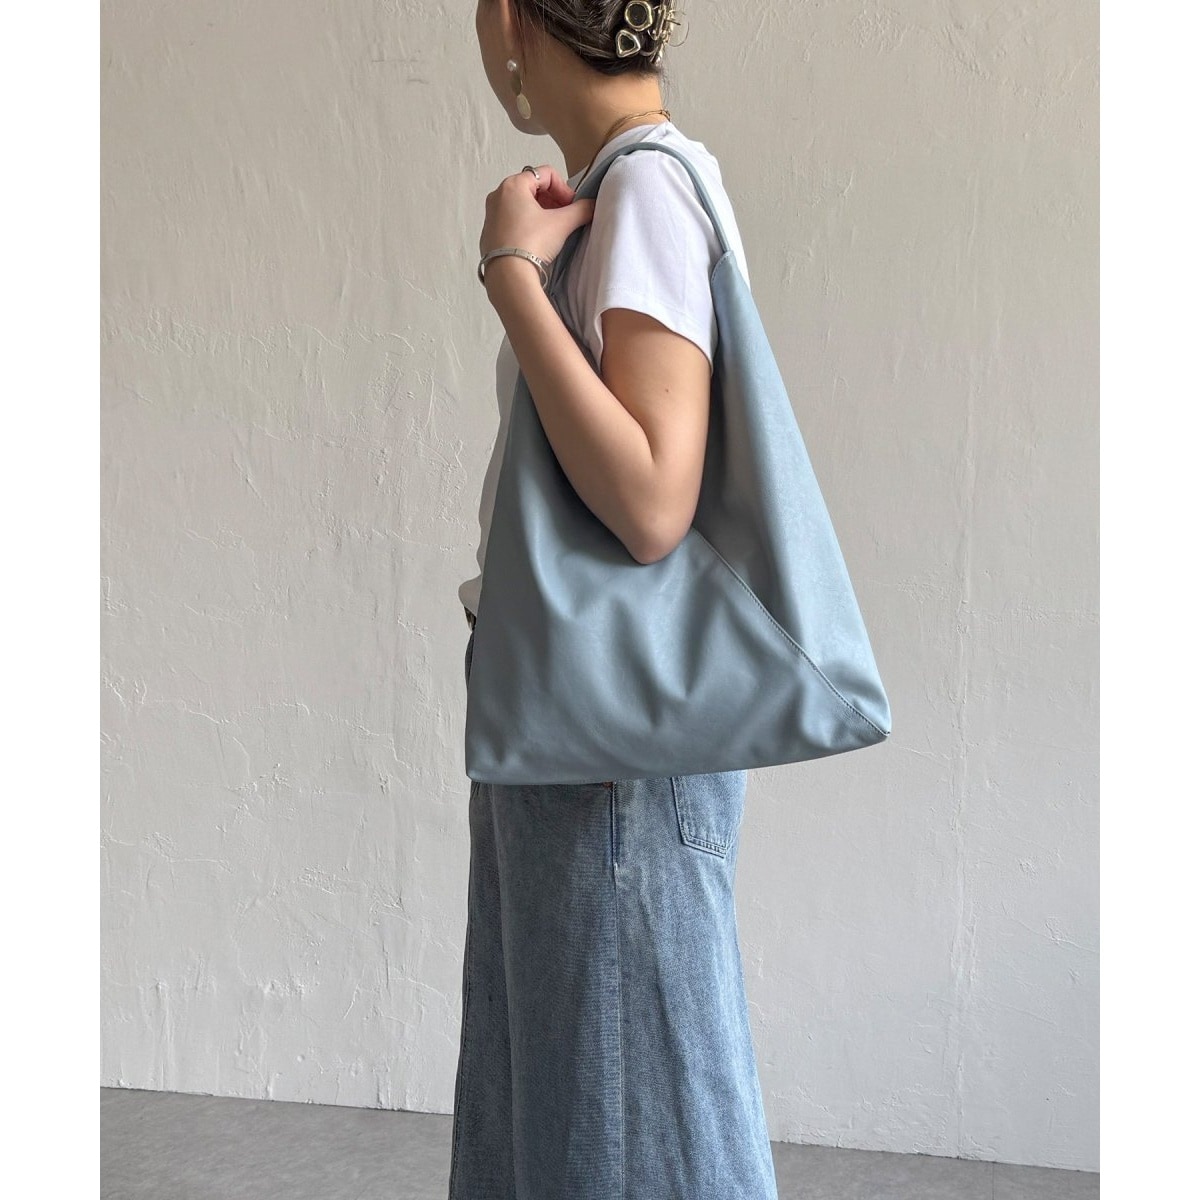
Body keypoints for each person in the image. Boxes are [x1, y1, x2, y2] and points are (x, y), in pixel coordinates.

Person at [450, 3, 778, 1197]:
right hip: (572, 729)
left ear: (509, 19)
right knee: (567, 1110)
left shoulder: (646, 192)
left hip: (612, 756)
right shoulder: (621, 190)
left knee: (631, 1130)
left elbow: (649, 500)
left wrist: (511, 280)